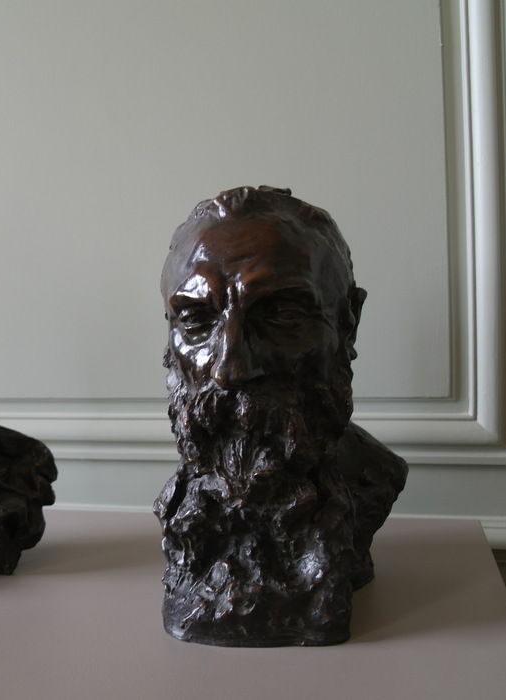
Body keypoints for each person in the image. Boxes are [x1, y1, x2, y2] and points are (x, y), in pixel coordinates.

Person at [154, 186, 408, 647]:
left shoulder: (375, 474)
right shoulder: (190, 494)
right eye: (196, 321)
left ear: (347, 323)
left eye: (283, 317)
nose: (229, 368)